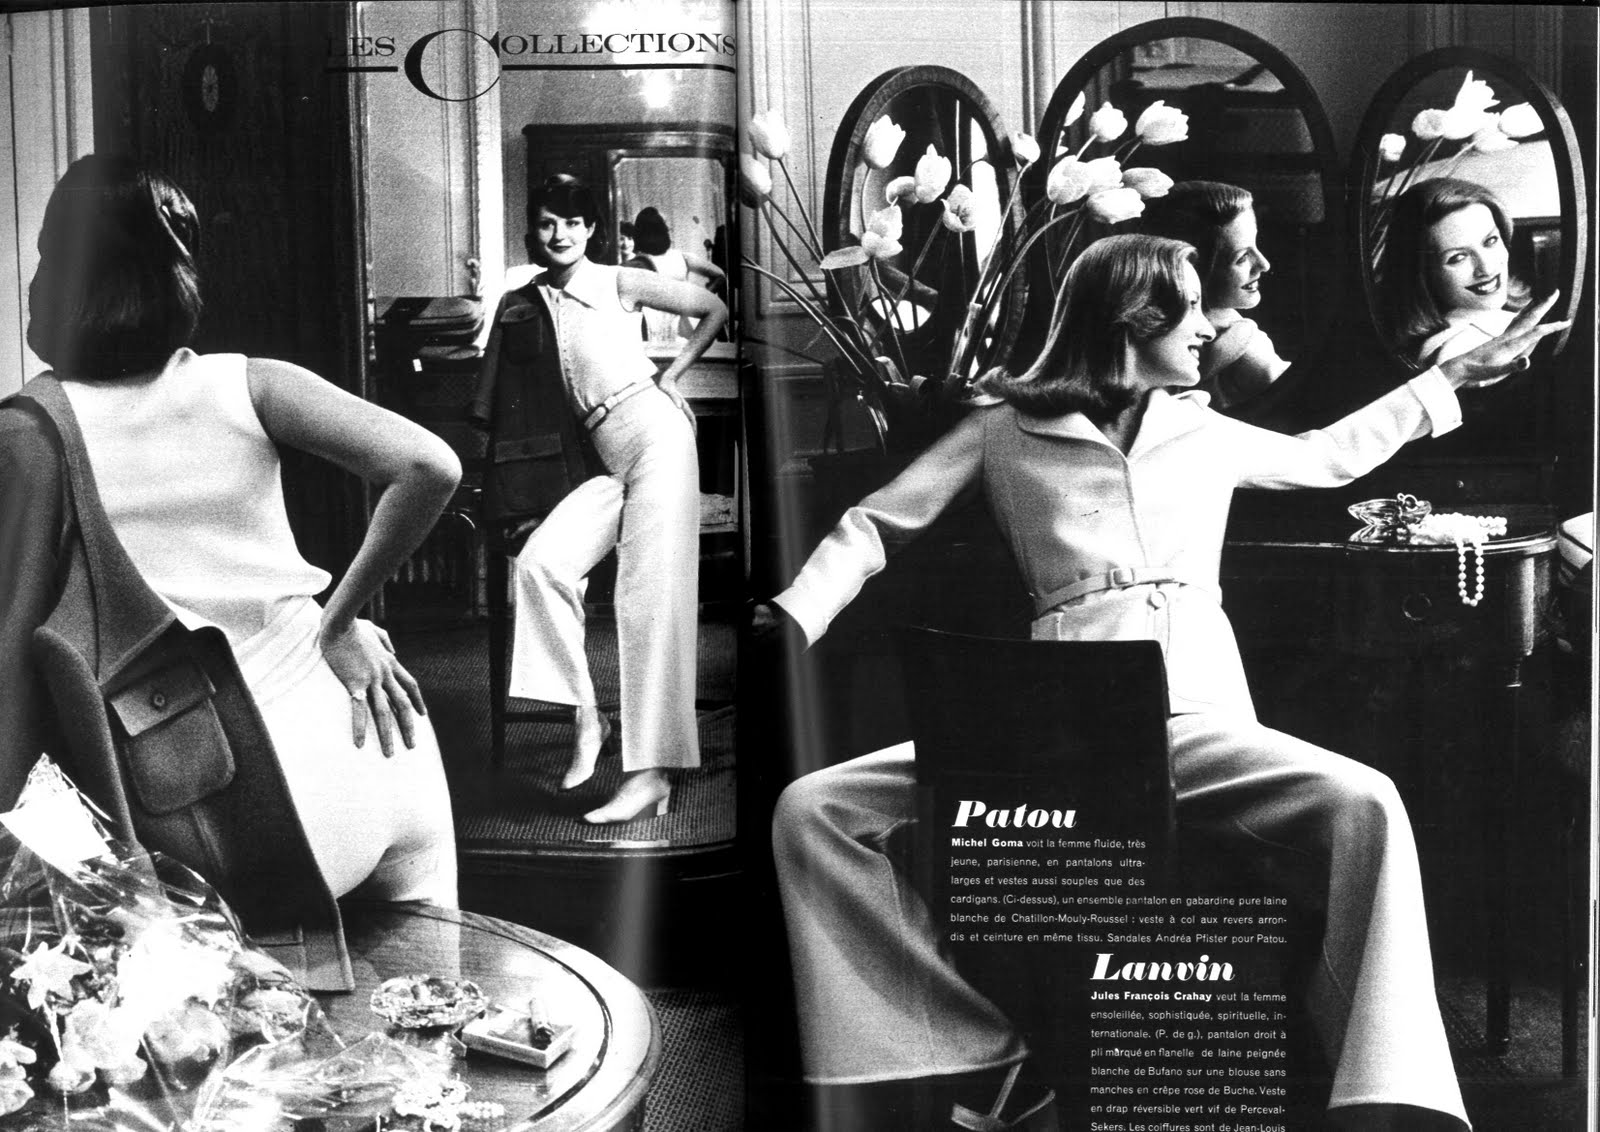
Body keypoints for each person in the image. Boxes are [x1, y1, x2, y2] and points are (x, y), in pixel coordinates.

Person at [753, 234, 1567, 1131]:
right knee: (813, 810)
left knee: (1366, 803)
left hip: (1195, 716)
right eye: (1189, 307)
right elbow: (875, 523)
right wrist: (796, 611)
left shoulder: (1204, 431)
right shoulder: (1003, 428)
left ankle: (1386, 1093)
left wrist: (1454, 378)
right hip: (1049, 722)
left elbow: (1329, 456)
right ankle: (971, 1054)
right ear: (1134, 316)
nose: (1209, 329)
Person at [1, 154, 460, 906]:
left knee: (259, 984)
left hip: (233, 793)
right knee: (437, 955)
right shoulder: (253, 382)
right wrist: (342, 622)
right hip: (372, 730)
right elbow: (429, 466)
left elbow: (14, 655)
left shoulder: (31, 431)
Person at [507, 176, 728, 824]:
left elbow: (712, 307)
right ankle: (587, 717)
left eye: (574, 222)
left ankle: (649, 776)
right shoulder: (530, 298)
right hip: (605, 455)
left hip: (654, 434)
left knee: (646, 599)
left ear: (593, 230)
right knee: (540, 565)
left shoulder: (616, 280)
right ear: (534, 230)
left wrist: (672, 375)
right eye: (548, 222)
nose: (561, 234)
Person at [1141, 180, 1287, 409]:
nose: (1264, 264)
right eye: (1241, 258)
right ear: (1194, 269)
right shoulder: (1245, 345)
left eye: (1255, 246)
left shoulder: (1155, 339)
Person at [1378, 177, 1531, 374]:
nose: (1486, 268)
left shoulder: (1495, 321)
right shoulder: (1455, 349)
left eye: (1491, 241)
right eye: (1457, 258)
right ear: (1423, 275)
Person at [628, 206, 728, 344]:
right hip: (670, 328)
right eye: (665, 224)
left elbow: (720, 276)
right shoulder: (681, 257)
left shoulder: (637, 263)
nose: (668, 228)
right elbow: (720, 275)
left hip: (663, 329)